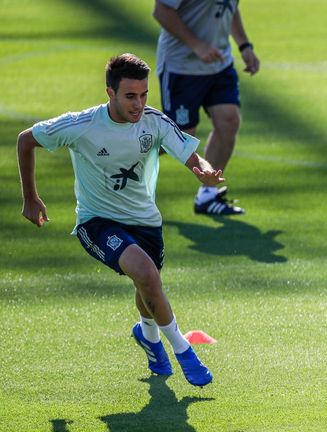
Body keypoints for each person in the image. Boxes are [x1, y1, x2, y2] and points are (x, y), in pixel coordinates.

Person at [17, 53, 217, 387]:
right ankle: (183, 351)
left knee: (147, 284)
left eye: (144, 95)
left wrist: (206, 172)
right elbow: (26, 139)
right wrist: (30, 197)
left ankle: (149, 337)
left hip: (146, 222)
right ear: (109, 92)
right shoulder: (81, 125)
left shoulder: (153, 122)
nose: (138, 104)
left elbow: (192, 156)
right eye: (130, 96)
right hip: (97, 222)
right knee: (146, 273)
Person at [153, 0, 259, 215]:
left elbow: (230, 7)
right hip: (181, 67)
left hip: (219, 63)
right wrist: (196, 44)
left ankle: (208, 196)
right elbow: (161, 11)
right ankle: (123, 154)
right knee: (181, 136)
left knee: (229, 120)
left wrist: (244, 45)